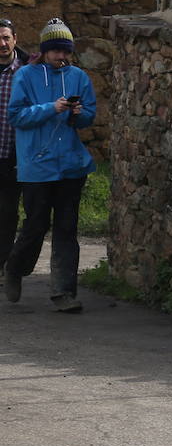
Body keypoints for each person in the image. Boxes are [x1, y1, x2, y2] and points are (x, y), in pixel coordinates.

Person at [5, 18, 97, 312]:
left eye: (65, 51)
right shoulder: (26, 76)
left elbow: (88, 118)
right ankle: (15, 268)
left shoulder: (79, 77)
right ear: (44, 51)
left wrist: (79, 113)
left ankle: (63, 293)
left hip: (71, 165)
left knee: (67, 228)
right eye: (55, 50)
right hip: (36, 166)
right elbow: (16, 116)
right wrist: (51, 108)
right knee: (35, 225)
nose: (61, 56)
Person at [0, 18, 31, 280]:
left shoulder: (26, 71)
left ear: (15, 39)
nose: (2, 43)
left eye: (6, 37)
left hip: (13, 155)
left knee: (8, 214)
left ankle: (2, 265)